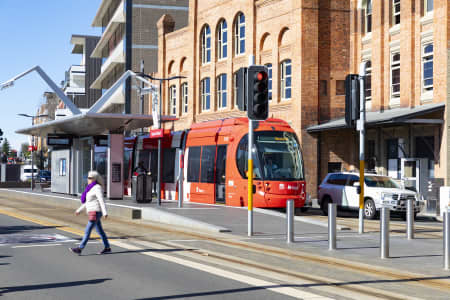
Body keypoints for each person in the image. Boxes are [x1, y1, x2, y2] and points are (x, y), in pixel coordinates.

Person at [69, 171, 111, 255]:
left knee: (87, 231)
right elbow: (87, 202)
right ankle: (107, 247)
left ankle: (80, 248)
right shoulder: (89, 188)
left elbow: (101, 200)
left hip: (95, 212)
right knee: (100, 232)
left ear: (94, 179)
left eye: (90, 178)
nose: (88, 179)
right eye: (88, 178)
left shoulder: (97, 187)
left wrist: (105, 212)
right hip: (92, 212)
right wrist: (79, 210)